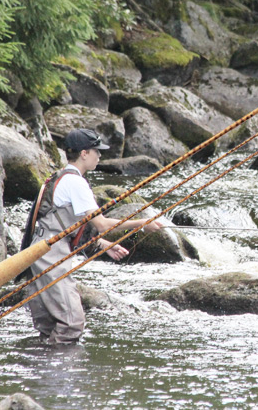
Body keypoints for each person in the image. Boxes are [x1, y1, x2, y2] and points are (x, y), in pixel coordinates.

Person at [23, 128, 163, 344]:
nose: (100, 156)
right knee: (72, 324)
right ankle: (63, 374)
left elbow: (67, 227)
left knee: (50, 327)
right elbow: (101, 223)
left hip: (40, 254)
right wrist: (142, 224)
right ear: (84, 154)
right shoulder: (76, 182)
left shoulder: (61, 177)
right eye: (96, 151)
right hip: (50, 256)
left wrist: (104, 244)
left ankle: (46, 372)